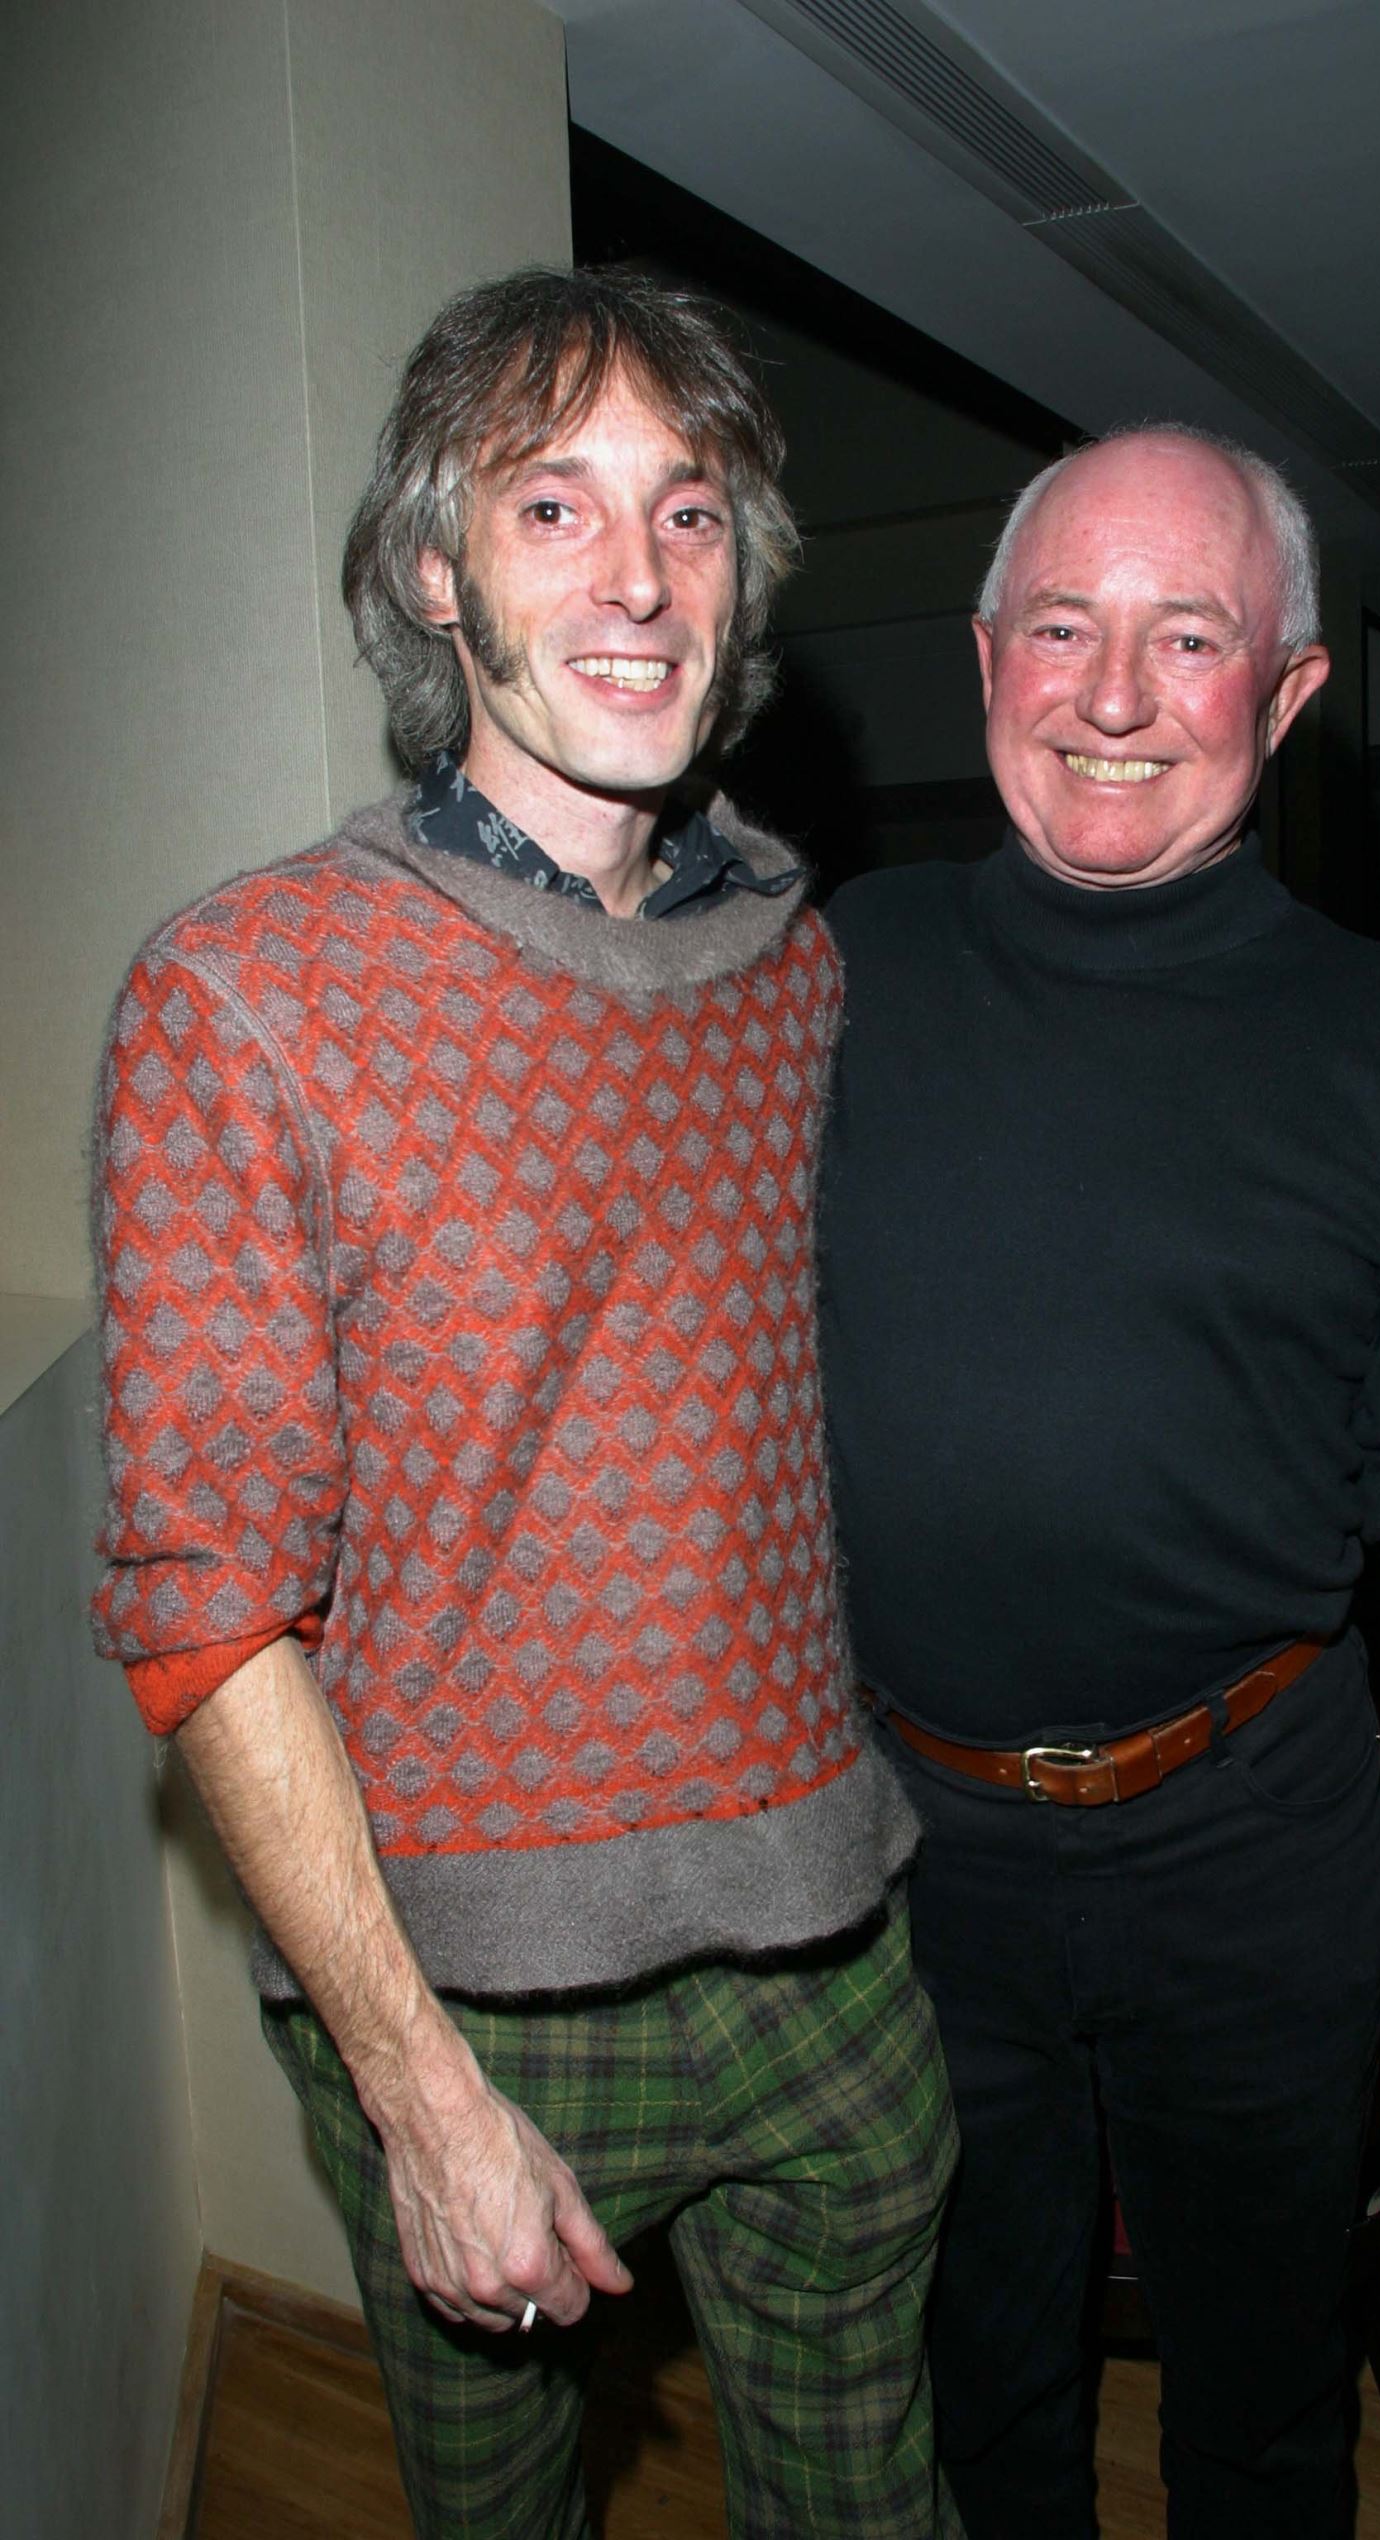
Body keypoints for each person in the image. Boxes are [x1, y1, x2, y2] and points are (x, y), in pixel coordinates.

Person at [89, 266, 959, 2540]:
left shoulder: (796, 961)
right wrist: (417, 2091)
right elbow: (203, 1609)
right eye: (550, 505)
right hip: (471, 2007)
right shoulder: (242, 991)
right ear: (429, 570)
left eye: (688, 510)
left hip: (830, 1950)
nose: (636, 577)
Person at [818, 425, 1380, 2537]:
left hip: (1253, 1855)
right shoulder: (830, 976)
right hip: (912, 1867)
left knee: (1259, 2424)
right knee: (981, 2409)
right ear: (986, 660)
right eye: (1063, 628)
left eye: (1189, 637)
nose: (1115, 697)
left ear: (1290, 691)